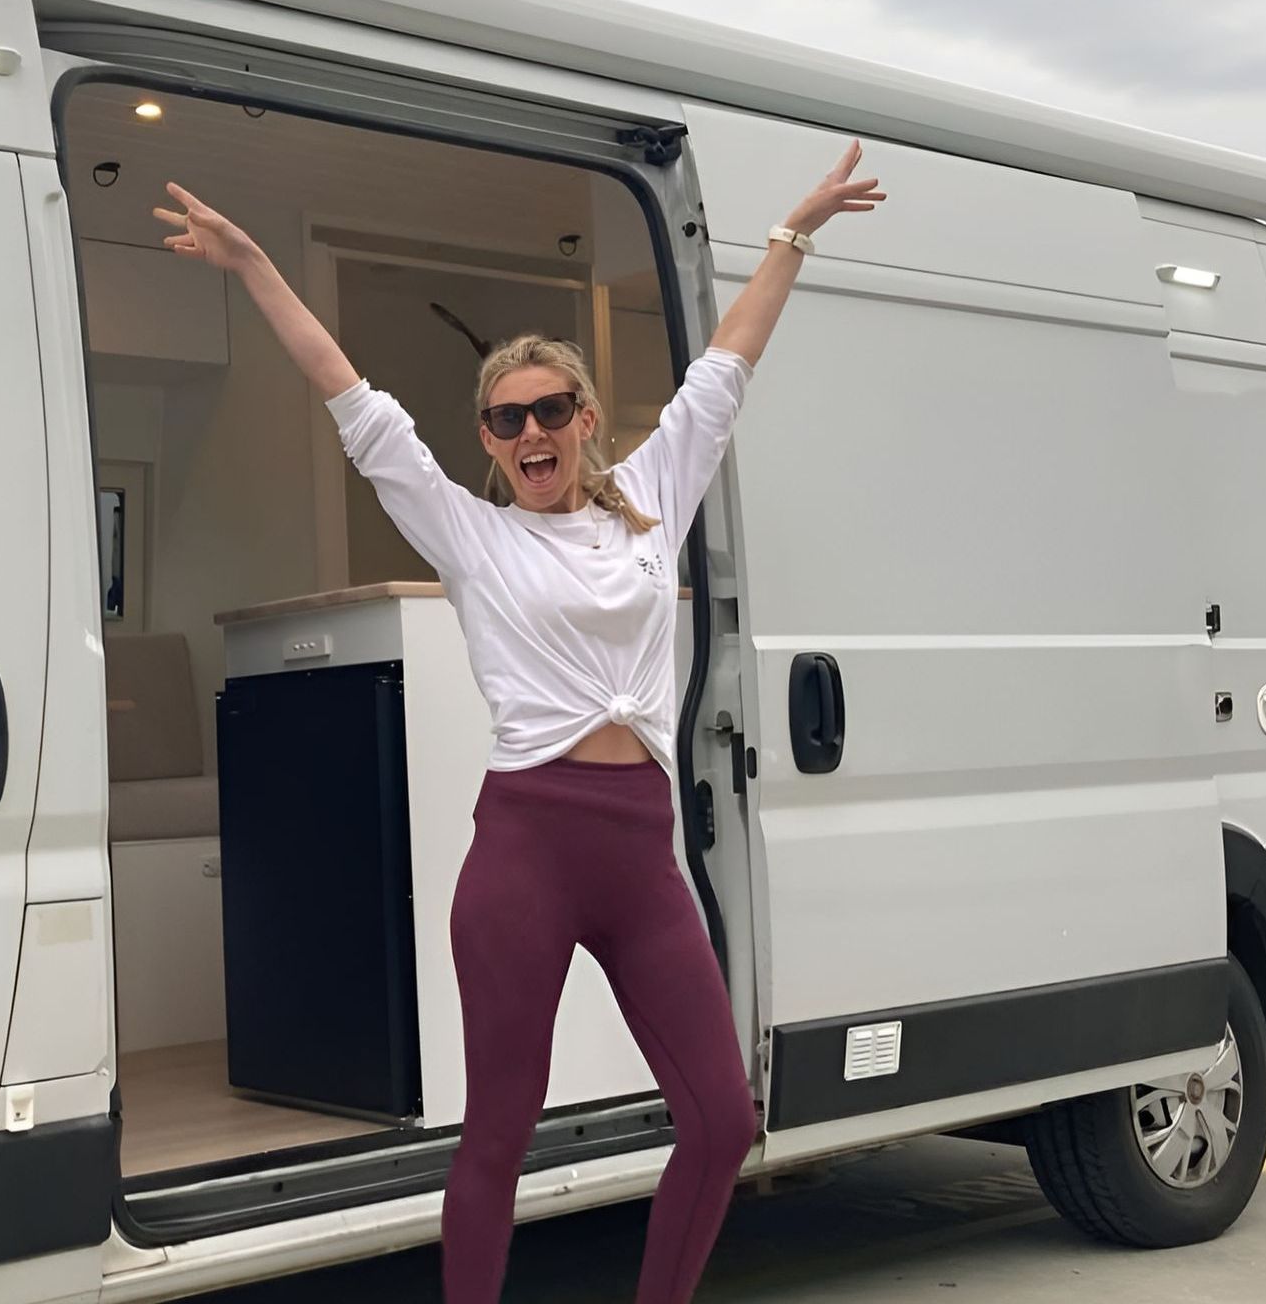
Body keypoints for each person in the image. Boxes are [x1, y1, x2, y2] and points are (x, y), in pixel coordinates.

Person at [155, 140, 886, 1302]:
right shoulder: (471, 534)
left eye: (550, 409)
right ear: (489, 440)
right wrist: (251, 264)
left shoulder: (652, 498)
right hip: (526, 853)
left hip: (640, 854)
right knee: (499, 1134)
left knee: (719, 1119)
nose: (530, 431)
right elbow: (348, 392)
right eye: (506, 420)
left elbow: (729, 361)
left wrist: (794, 233)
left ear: (586, 417)